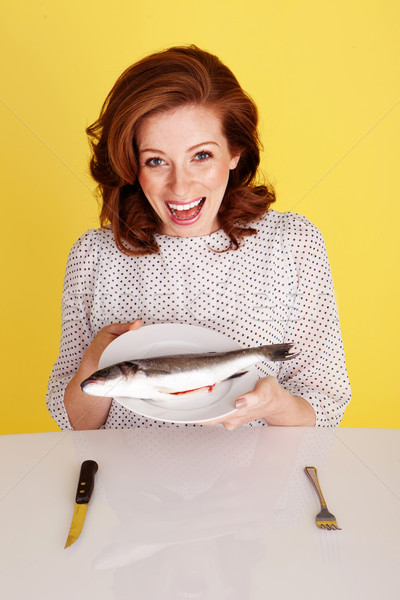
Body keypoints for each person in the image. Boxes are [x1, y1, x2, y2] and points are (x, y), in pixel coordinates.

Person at [46, 45, 351, 431]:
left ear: (235, 151)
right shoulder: (93, 255)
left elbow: (326, 402)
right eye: (156, 160)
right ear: (132, 165)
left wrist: (277, 406)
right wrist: (94, 361)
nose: (181, 185)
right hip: (129, 483)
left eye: (202, 155)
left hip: (254, 482)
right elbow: (75, 424)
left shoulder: (294, 242)